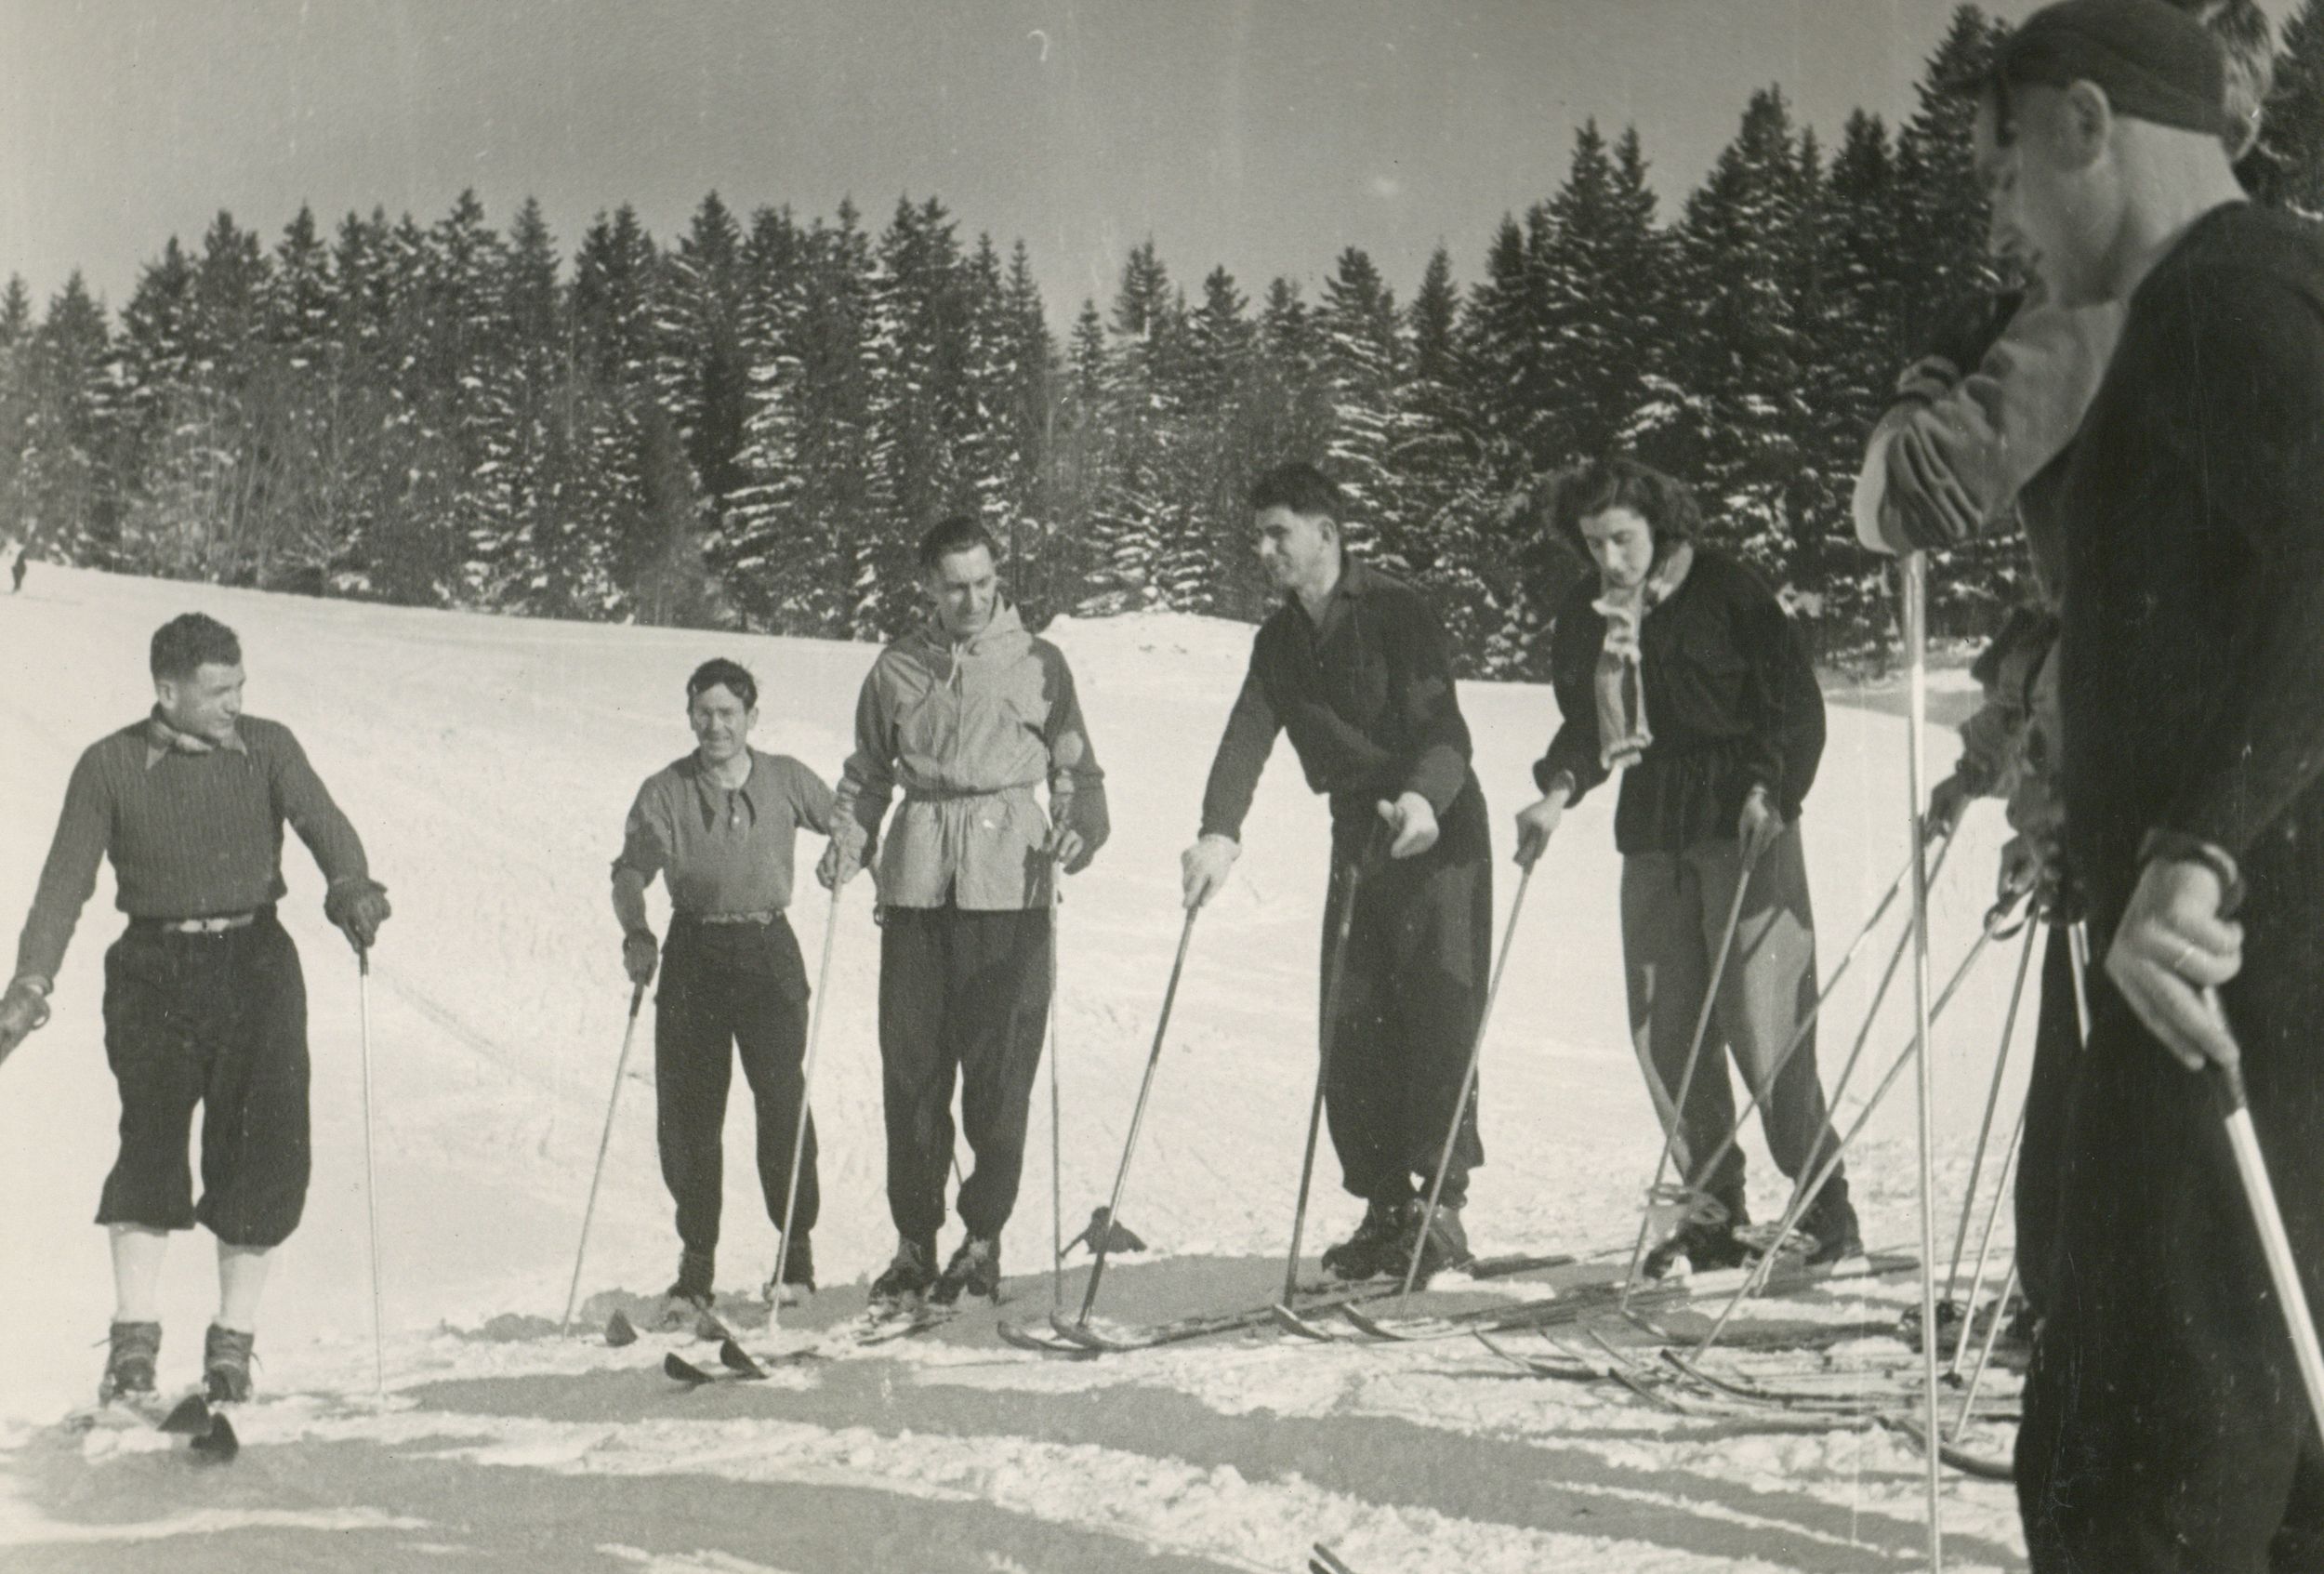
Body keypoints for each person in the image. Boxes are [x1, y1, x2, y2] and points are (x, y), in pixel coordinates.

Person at [1947, 2, 2324, 1565]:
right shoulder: (2223, 304)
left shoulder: (2226, 298)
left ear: (2088, 126)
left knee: (2143, 1477)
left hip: (2232, 1022)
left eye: (2007, 166)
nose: (2006, 218)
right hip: (2225, 1016)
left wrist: (2201, 848)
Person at [1850, 0, 2274, 1333]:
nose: (2007, 215)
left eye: (2010, 175)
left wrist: (1926, 385)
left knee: (2124, 1082)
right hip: (2223, 756)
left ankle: (2095, 1318)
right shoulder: (2265, 270)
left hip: (2171, 777)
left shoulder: (2110, 301)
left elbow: (1916, 493)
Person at [0, 613, 390, 1406]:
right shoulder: (109, 766)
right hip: (153, 971)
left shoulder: (269, 747)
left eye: (240, 685)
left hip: (256, 963)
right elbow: (63, 882)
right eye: (217, 691)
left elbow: (327, 826)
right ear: (167, 690)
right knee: (149, 1142)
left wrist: (351, 883)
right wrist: (30, 983)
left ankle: (231, 1348)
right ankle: (133, 1344)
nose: (234, 703)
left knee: (263, 1152)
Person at [1517, 458, 1859, 1277]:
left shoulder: (1727, 589)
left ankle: (1824, 1204)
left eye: (1623, 538)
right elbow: (1587, 729)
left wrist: (1772, 789)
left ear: (1659, 527)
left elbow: (1792, 705)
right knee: (1664, 1030)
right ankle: (1714, 1212)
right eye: (1594, 541)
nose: (1609, 558)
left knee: (1762, 1021)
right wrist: (1557, 792)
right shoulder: (1587, 613)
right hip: (1654, 831)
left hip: (1744, 821)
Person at [1183, 462, 1492, 1281]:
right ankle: (1387, 1204)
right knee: (1352, 1017)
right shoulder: (1278, 641)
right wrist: (1218, 832)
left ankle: (1442, 1210)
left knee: (1436, 1008)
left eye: (1277, 531)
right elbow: (1246, 736)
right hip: (1358, 829)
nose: (1264, 549)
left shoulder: (1395, 609)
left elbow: (1446, 728)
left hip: (1436, 824)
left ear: (1328, 531)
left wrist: (1423, 802)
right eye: (1258, 534)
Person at [821, 516, 1108, 1310]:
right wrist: (850, 835)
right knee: (912, 1072)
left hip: (1008, 887)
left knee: (999, 1069)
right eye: (956, 586)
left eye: (985, 581)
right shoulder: (895, 670)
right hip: (917, 889)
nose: (975, 598)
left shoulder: (1040, 663)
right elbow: (868, 774)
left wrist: (1081, 828)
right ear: (928, 588)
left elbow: (1083, 775)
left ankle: (982, 1241)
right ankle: (916, 1242)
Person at [612, 657, 837, 1317]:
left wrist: (849, 850)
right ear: (690, 716)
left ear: (751, 717)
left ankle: (795, 1256)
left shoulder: (787, 777)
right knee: (689, 1114)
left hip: (768, 950)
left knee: (781, 1099)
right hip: (694, 953)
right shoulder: (664, 790)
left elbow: (849, 821)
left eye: (729, 713)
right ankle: (696, 1266)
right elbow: (630, 871)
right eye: (704, 712)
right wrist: (636, 931)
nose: (716, 725)